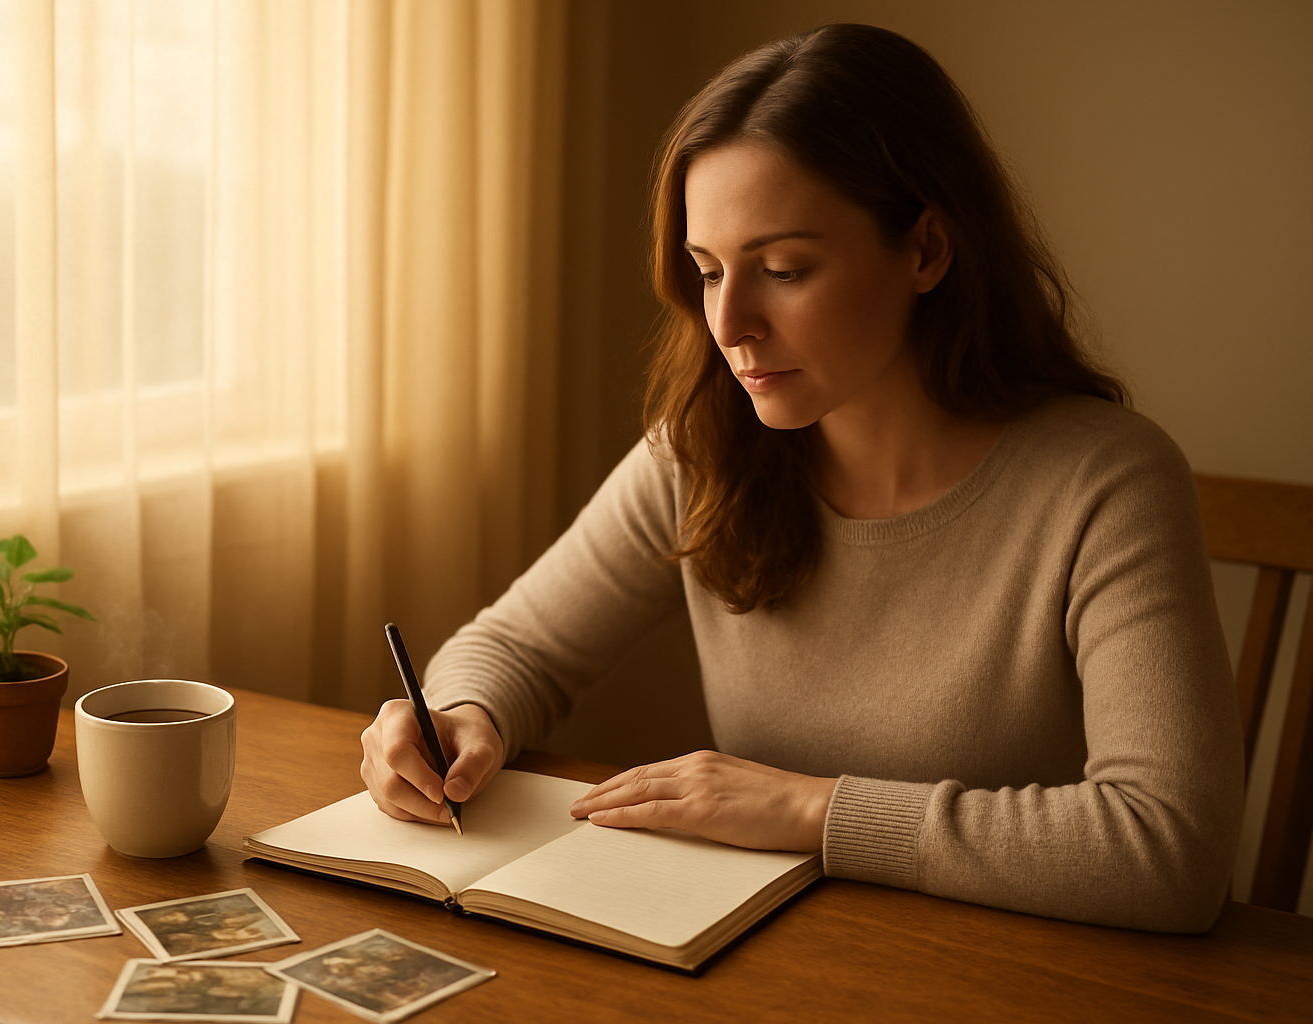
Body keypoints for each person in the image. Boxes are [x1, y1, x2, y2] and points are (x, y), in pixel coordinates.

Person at [359, 23, 1242, 932]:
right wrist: (457, 717)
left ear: (927, 250)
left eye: (784, 269)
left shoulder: (1107, 484)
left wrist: (810, 810)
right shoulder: (702, 450)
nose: (729, 324)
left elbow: (1170, 847)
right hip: (766, 953)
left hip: (1016, 969)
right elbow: (518, 647)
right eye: (708, 272)